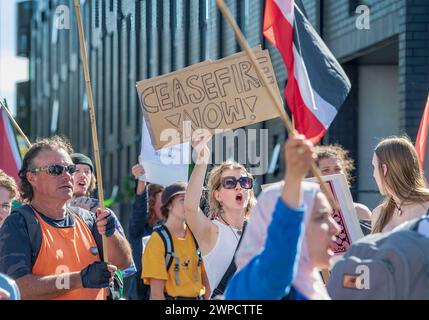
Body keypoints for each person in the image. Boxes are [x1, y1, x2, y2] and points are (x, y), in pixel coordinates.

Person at [0, 136, 133, 300]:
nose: (67, 176)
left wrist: (111, 233)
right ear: (31, 177)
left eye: (70, 169)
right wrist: (79, 279)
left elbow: (124, 262)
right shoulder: (19, 223)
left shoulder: (89, 219)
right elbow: (17, 288)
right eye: (55, 170)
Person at [226, 135, 341, 300]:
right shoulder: (251, 287)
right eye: (320, 217)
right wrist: (293, 178)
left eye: (330, 216)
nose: (335, 227)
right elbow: (276, 271)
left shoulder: (312, 284)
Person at [184, 134, 256, 297]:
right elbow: (189, 207)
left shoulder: (260, 231)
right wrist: (203, 158)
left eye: (244, 182)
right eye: (230, 183)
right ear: (217, 195)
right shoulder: (212, 231)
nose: (239, 188)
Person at [142, 181, 210, 300]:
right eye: (183, 199)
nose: (189, 204)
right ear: (169, 205)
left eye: (191, 199)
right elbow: (157, 294)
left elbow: (206, 284)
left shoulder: (196, 235)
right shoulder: (158, 240)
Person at [371, 136, 429, 233]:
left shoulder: (378, 214)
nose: (373, 175)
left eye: (374, 167)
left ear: (384, 169)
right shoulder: (378, 213)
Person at [125, 162, 165, 300]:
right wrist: (142, 179)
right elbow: (140, 210)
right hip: (140, 294)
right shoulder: (139, 230)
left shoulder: (169, 231)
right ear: (152, 202)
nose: (168, 206)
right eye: (163, 201)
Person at [314, 144, 372, 221]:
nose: (333, 174)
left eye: (337, 169)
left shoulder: (360, 211)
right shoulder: (306, 211)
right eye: (326, 170)